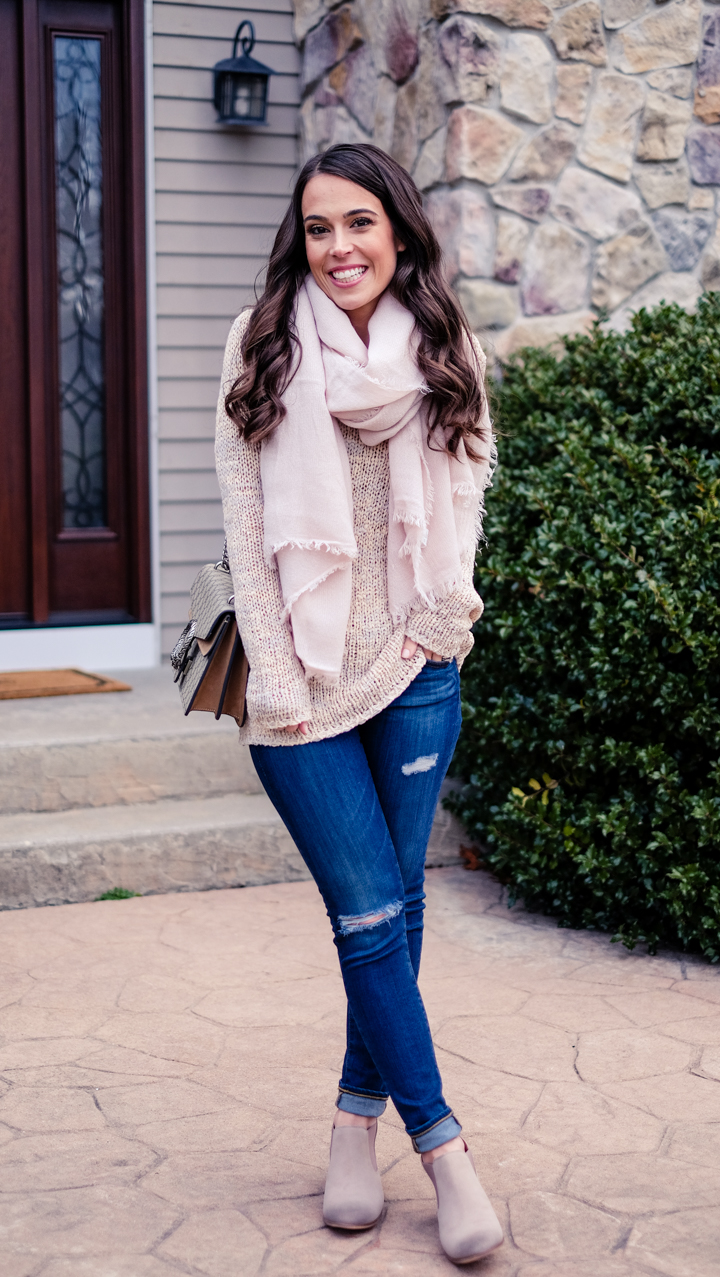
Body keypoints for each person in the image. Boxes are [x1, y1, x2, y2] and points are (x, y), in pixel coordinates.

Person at [215, 142, 500, 1265]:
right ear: (302, 238)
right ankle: (445, 1147)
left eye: (359, 224)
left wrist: (444, 624)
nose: (339, 247)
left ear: (398, 231)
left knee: (397, 911)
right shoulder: (262, 341)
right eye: (320, 227)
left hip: (419, 668)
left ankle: (351, 1122)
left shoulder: (444, 344)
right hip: (301, 684)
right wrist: (279, 682)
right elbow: (245, 523)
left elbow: (468, 488)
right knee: (371, 915)